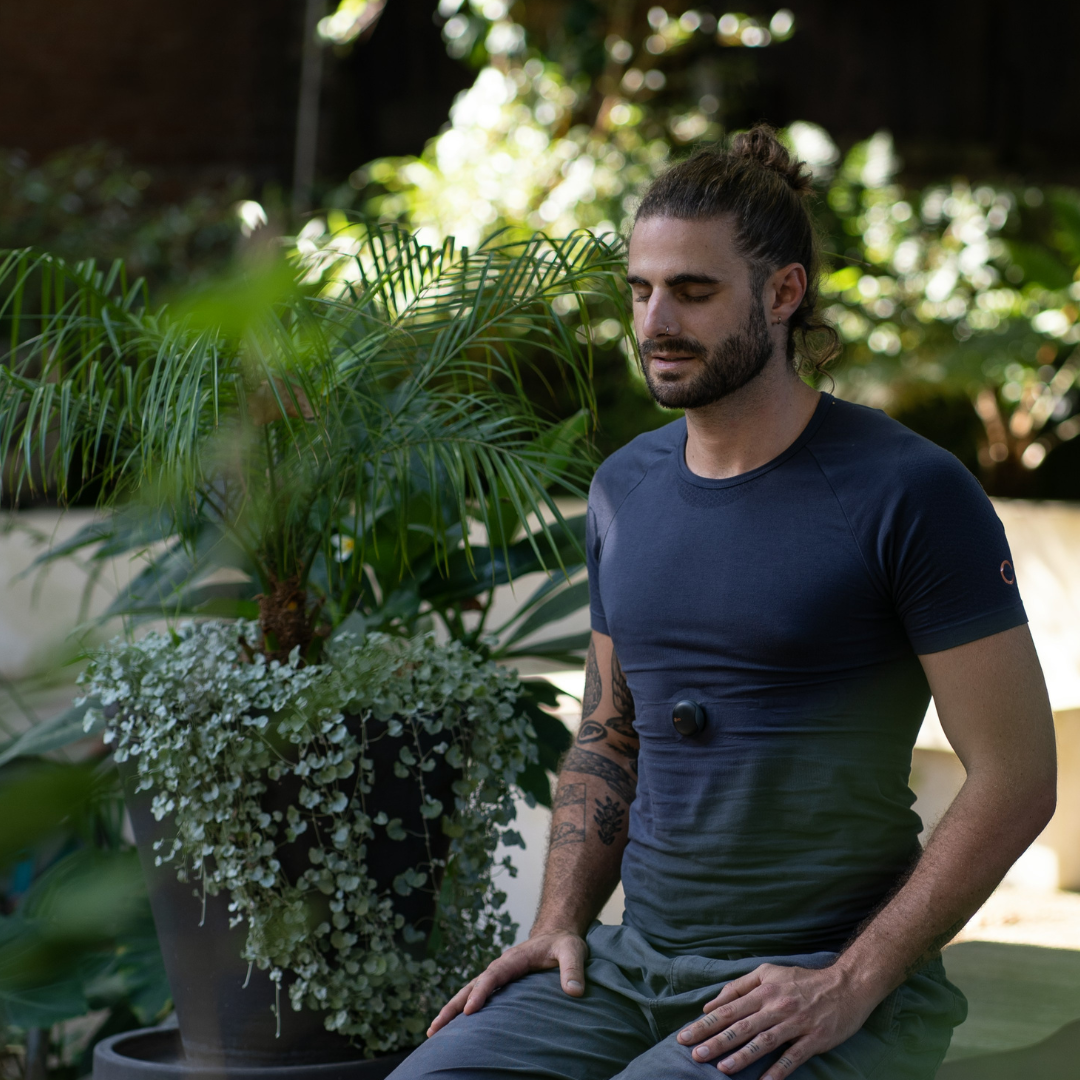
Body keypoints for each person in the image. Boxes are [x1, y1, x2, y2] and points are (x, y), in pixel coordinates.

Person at [388, 126, 1057, 1079]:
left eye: (693, 291)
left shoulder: (909, 491)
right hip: (629, 967)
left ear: (783, 294)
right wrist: (557, 922)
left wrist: (852, 981)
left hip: (819, 983)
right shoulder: (624, 489)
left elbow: (1018, 774)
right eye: (640, 290)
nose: (655, 320)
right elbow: (609, 735)